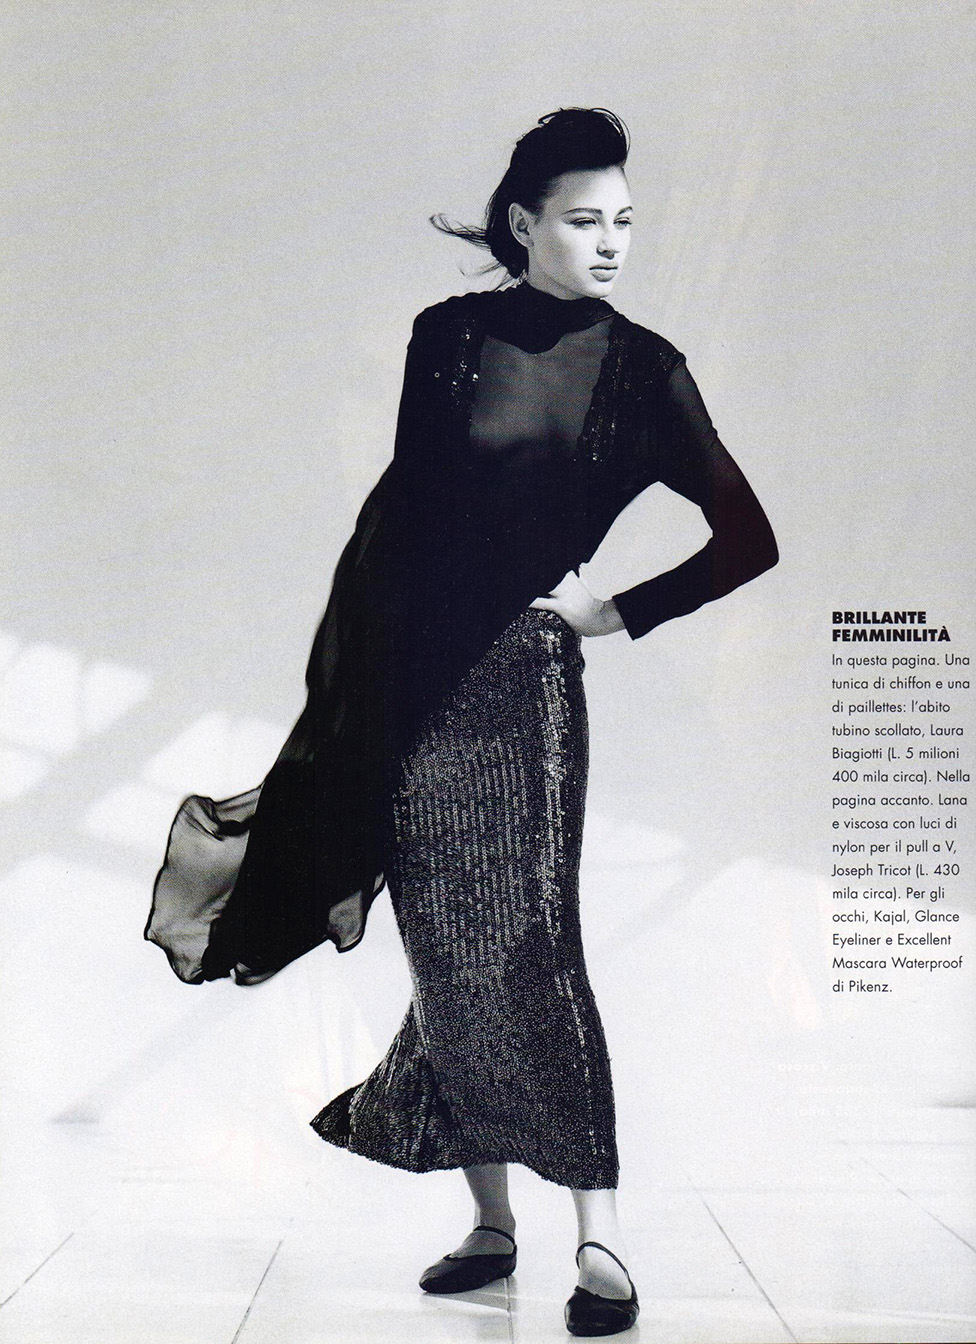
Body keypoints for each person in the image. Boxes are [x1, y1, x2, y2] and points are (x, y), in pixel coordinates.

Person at [146, 107, 778, 1338]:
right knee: (444, 953)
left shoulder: (648, 371)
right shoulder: (445, 337)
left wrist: (613, 612)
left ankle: (599, 1239)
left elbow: (748, 538)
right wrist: (355, 705)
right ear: (523, 223)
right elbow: (403, 526)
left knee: (534, 949)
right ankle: (492, 1227)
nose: (611, 241)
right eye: (585, 220)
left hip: (525, 690)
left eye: (624, 222)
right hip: (410, 685)